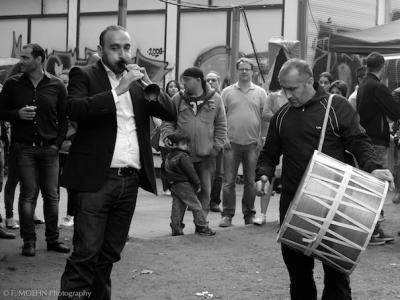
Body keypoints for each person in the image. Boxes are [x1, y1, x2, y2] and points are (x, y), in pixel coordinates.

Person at [254, 58, 394, 300]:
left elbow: (358, 141)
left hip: (335, 205)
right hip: (294, 204)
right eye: (284, 89)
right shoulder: (282, 116)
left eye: (293, 88)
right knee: (299, 278)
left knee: (337, 281)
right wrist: (263, 174)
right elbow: (269, 153)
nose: (287, 95)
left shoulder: (336, 106)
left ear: (310, 81)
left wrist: (373, 167)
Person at [58, 25, 176, 300]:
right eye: (115, 48)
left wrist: (148, 83)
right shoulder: (83, 74)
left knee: (109, 254)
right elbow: (74, 109)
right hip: (95, 180)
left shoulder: (138, 84)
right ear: (101, 51)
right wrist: (117, 92)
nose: (122, 53)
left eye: (126, 47)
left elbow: (170, 112)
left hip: (129, 180)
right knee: (86, 252)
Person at [0, 43, 69, 257]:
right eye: (22, 57)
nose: (21, 61)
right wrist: (17, 114)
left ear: (39, 59)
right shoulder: (13, 85)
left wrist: (57, 144)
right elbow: (0, 111)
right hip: (24, 149)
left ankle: (52, 240)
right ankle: (28, 241)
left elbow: (64, 118)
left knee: (52, 196)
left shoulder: (57, 85)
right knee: (28, 195)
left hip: (49, 149)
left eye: (25, 57)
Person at [161, 67, 227, 220]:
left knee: (205, 192)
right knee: (181, 193)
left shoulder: (215, 98)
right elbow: (167, 121)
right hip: (181, 157)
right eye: (182, 79)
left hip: (206, 156)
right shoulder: (177, 98)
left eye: (186, 79)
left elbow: (221, 124)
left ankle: (201, 224)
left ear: (198, 80)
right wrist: (168, 138)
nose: (182, 83)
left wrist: (216, 147)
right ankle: (177, 227)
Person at [218, 58, 269, 227]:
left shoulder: (261, 93)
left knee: (250, 182)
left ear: (252, 71)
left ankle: (249, 214)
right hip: (230, 143)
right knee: (228, 182)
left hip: (252, 144)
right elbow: (220, 117)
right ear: (237, 71)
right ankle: (227, 215)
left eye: (247, 69)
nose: (244, 72)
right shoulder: (227, 92)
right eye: (241, 69)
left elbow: (265, 118)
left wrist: (262, 138)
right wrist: (223, 137)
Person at [357, 51, 400, 245]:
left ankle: (369, 230)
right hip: (376, 142)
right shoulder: (376, 87)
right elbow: (396, 111)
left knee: (368, 187)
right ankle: (372, 231)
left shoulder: (363, 84)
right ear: (382, 67)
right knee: (375, 188)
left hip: (367, 140)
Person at [165, 131, 216, 236]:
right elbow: (190, 171)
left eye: (186, 144)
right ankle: (202, 226)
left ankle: (176, 228)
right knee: (196, 205)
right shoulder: (183, 157)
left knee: (177, 206)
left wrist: (168, 185)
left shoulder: (168, 157)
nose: (186, 146)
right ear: (175, 145)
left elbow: (163, 172)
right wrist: (197, 183)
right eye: (183, 144)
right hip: (184, 185)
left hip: (173, 185)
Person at [155, 79, 182, 196]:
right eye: (170, 87)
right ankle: (166, 187)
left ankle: (176, 186)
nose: (173, 88)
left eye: (175, 86)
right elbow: (156, 117)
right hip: (164, 135)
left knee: (177, 162)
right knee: (166, 161)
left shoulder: (181, 101)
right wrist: (166, 128)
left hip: (178, 135)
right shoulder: (161, 101)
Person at [206, 71, 224, 212]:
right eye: (208, 80)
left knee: (218, 173)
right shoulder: (202, 97)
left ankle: (214, 202)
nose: (210, 83)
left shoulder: (223, 96)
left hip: (219, 141)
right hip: (202, 141)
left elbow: (224, 121)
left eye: (213, 80)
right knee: (200, 171)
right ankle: (198, 199)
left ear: (219, 81)